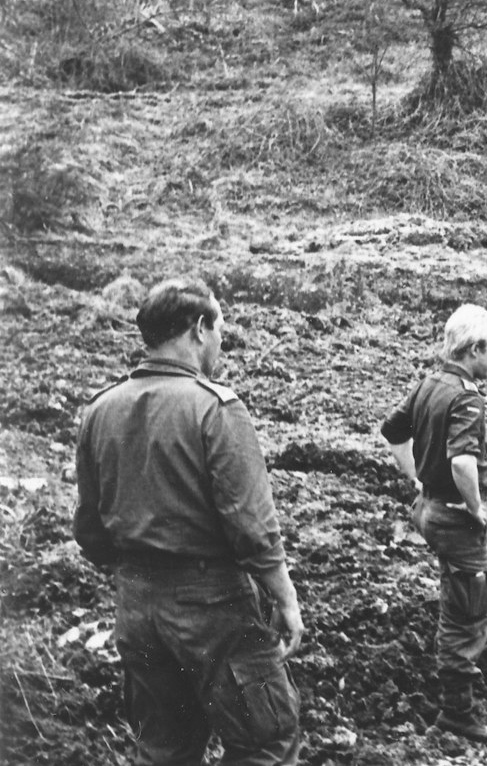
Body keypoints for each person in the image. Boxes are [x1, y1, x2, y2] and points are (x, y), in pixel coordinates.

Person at [73, 278, 305, 765]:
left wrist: (138, 574)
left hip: (136, 608)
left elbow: (89, 531)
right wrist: (285, 598)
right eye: (219, 327)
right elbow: (254, 529)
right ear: (199, 329)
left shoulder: (99, 410)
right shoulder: (215, 408)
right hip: (212, 606)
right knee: (266, 741)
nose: (221, 340)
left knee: (164, 751)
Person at [381, 304, 487, 741]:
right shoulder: (467, 398)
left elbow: (393, 430)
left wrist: (416, 479)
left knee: (456, 589)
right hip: (454, 518)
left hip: (429, 510)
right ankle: (458, 712)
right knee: (467, 612)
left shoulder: (430, 383)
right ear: (474, 349)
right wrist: (477, 510)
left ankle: (469, 680)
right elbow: (462, 462)